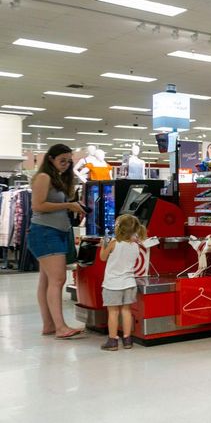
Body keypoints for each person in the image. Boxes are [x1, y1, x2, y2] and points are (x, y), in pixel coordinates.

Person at [28, 144, 86, 339]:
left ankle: (49, 325)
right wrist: (68, 205)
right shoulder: (43, 177)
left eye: (69, 161)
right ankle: (60, 327)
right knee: (58, 279)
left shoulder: (57, 179)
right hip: (46, 233)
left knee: (46, 280)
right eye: (62, 160)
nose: (66, 165)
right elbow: (38, 205)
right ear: (50, 159)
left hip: (55, 232)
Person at [98, 214, 146, 350]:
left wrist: (103, 245)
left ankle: (112, 341)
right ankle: (127, 339)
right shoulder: (135, 246)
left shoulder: (113, 243)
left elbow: (102, 257)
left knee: (113, 312)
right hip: (129, 284)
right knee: (126, 311)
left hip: (112, 284)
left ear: (119, 227)